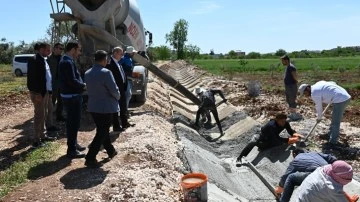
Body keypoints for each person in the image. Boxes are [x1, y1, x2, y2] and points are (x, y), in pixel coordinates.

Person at [84, 50, 119, 168]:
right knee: (102, 131)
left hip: (93, 106)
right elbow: (113, 90)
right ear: (104, 60)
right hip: (106, 107)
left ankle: (110, 150)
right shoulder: (106, 72)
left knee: (102, 130)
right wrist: (118, 96)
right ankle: (90, 157)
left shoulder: (87, 73)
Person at [236, 113, 302, 166]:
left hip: (271, 140)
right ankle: (239, 158)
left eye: (284, 121)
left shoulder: (285, 123)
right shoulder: (271, 126)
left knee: (280, 144)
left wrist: (294, 134)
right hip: (262, 138)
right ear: (277, 120)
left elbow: (289, 130)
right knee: (253, 142)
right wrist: (288, 140)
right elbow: (275, 138)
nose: (283, 123)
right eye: (281, 121)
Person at [298, 81, 351, 147]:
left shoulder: (314, 93)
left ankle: (333, 142)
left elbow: (319, 107)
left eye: (305, 93)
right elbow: (333, 82)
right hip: (342, 96)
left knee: (335, 122)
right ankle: (329, 135)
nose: (306, 95)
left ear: (308, 88)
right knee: (334, 119)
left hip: (341, 99)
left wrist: (319, 118)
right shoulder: (318, 83)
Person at [58, 41, 86, 159]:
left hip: (71, 96)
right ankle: (71, 150)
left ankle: (74, 144)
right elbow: (71, 80)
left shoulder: (67, 60)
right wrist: (83, 85)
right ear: (73, 49)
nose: (79, 53)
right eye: (78, 50)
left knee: (74, 122)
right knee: (73, 123)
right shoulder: (66, 62)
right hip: (72, 97)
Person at [27, 42, 56, 148]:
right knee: (39, 116)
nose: (49, 52)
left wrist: (49, 91)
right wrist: (38, 93)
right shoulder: (34, 60)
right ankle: (36, 140)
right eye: (48, 50)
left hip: (45, 91)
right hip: (39, 93)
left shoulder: (44, 59)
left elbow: (46, 77)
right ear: (41, 49)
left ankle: (42, 136)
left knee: (44, 114)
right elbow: (33, 79)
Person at [106, 47, 131, 130]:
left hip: (122, 88)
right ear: (115, 53)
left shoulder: (118, 62)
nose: (122, 55)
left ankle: (125, 123)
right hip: (116, 89)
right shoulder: (110, 63)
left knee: (123, 106)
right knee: (116, 108)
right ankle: (116, 126)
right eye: (121, 54)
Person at [47, 42, 66, 122]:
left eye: (62, 49)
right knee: (51, 102)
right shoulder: (48, 59)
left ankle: (59, 116)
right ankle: (49, 119)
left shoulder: (63, 58)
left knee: (61, 101)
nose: (61, 50)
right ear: (54, 48)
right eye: (60, 48)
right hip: (52, 84)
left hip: (60, 83)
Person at [280, 55, 299, 120]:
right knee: (288, 100)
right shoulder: (288, 67)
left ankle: (294, 115)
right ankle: (292, 114)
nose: (282, 62)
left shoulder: (291, 67)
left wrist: (297, 81)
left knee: (292, 100)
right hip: (288, 86)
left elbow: (295, 76)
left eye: (283, 61)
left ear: (286, 60)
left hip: (291, 86)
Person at [120, 46, 136, 110]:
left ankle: (124, 109)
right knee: (128, 95)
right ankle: (124, 110)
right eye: (133, 53)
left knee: (128, 95)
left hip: (129, 79)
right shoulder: (124, 59)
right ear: (130, 53)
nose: (134, 54)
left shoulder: (129, 59)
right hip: (125, 80)